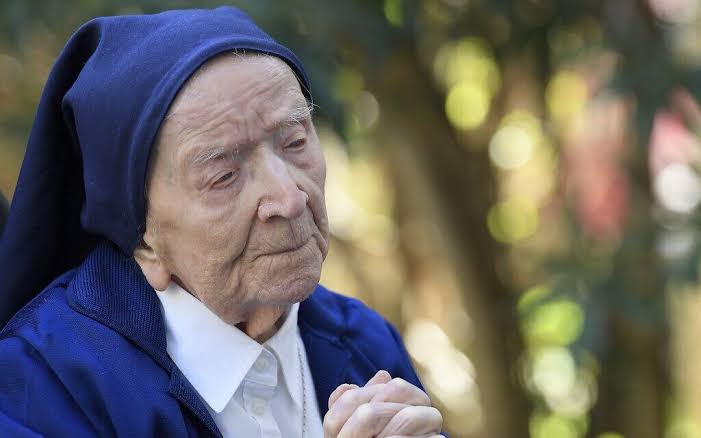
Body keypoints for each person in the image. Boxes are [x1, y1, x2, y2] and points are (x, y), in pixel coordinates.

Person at [0, 6, 444, 438]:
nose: (288, 198)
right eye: (224, 176)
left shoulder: (363, 344)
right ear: (144, 241)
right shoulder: (42, 386)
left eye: (294, 142)